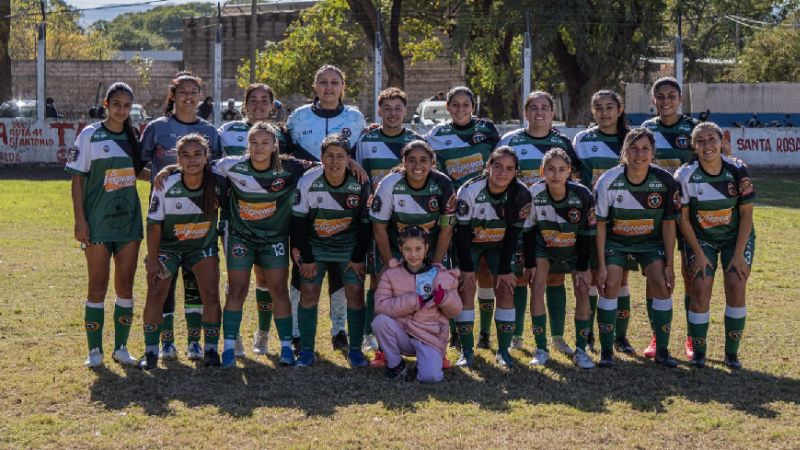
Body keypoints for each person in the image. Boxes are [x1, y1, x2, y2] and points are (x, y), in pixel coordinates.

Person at [286, 64, 367, 352]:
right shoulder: (298, 117)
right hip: (307, 200)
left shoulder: (355, 117)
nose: (329, 87)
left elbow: (358, 156)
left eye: (335, 82)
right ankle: (296, 331)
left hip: (345, 202)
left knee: (340, 272)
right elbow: (285, 154)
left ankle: (339, 330)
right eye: (323, 82)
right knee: (301, 269)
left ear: (343, 86)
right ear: (315, 86)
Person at [140, 71, 221, 362]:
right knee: (162, 288)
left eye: (194, 91)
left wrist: (176, 170)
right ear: (172, 95)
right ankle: (160, 345)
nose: (189, 96)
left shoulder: (211, 132)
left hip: (200, 229)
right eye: (182, 91)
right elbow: (138, 165)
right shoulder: (156, 127)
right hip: (167, 217)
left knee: (201, 288)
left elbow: (217, 169)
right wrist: (167, 177)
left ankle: (200, 344)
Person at [66, 82, 148, 368]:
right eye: (117, 104)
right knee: (97, 285)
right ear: (106, 104)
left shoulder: (133, 135)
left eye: (127, 105)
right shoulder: (90, 134)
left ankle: (121, 348)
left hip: (128, 223)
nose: (121, 110)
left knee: (125, 285)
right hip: (97, 222)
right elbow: (76, 180)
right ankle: (94, 351)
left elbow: (138, 172)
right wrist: (80, 221)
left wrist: (169, 173)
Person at [497, 90, 580, 353]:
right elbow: (497, 175)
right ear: (525, 113)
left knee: (555, 279)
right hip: (519, 223)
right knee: (520, 278)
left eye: (545, 107)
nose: (539, 112)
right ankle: (516, 337)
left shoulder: (563, 143)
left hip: (553, 223)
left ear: (553, 113)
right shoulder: (510, 140)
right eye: (533, 107)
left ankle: (557, 337)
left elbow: (574, 179)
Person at [594, 128, 680, 368]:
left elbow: (669, 224)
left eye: (645, 149)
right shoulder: (608, 181)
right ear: (624, 152)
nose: (639, 154)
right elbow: (600, 225)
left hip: (650, 244)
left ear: (653, 152)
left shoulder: (665, 182)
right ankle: (606, 350)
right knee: (610, 283)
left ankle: (662, 350)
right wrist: (601, 264)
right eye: (633, 148)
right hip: (616, 242)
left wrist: (670, 265)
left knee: (662, 284)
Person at [675, 122, 755, 369]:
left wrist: (739, 253)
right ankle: (699, 353)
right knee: (700, 288)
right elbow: (683, 219)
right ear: (693, 146)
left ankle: (732, 354)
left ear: (722, 141)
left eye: (712, 139)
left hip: (735, 238)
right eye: (700, 141)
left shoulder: (737, 169)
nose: (707, 145)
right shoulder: (685, 175)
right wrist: (697, 253)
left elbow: (746, 215)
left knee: (736, 285)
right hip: (701, 239)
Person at [426, 86, 500, 354]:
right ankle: (457, 333)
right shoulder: (437, 134)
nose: (460, 109)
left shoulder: (487, 130)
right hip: (452, 212)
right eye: (454, 105)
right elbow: (431, 170)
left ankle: (484, 334)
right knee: (457, 272)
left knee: (484, 272)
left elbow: (501, 163)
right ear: (447, 107)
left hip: (486, 209)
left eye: (465, 104)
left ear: (473, 105)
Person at [218, 83, 290, 357]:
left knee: (266, 277)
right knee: (237, 277)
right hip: (235, 215)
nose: (259, 104)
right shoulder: (226, 131)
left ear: (273, 105)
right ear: (244, 103)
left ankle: (263, 333)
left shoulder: (282, 134)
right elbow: (207, 162)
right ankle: (233, 339)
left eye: (265, 100)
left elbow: (294, 164)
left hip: (272, 220)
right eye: (253, 99)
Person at [354, 87, 424, 367]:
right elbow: (358, 177)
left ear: (405, 111)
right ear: (379, 111)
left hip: (410, 222)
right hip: (378, 220)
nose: (393, 113)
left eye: (398, 108)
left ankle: (415, 330)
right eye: (388, 108)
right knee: (379, 277)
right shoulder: (365, 140)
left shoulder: (416, 141)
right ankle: (371, 333)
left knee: (415, 278)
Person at [370, 141, 457, 365]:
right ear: (404, 162)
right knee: (388, 293)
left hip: (430, 249)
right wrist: (389, 260)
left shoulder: (443, 183)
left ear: (432, 163)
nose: (417, 166)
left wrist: (435, 266)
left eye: (424, 160)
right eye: (412, 160)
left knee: (438, 293)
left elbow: (447, 228)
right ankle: (383, 349)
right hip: (397, 248)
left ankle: (438, 349)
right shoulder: (390, 183)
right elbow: (379, 226)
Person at [291, 134, 372, 368]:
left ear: (349, 159)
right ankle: (306, 351)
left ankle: (355, 351)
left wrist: (357, 258)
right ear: (321, 158)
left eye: (340, 156)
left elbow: (366, 225)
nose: (335, 161)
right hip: (316, 246)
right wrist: (306, 258)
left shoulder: (360, 182)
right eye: (330, 156)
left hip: (348, 248)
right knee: (308, 293)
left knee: (356, 294)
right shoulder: (308, 180)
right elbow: (298, 222)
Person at [454, 147, 532, 368]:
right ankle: (467, 351)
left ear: (516, 171)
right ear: (488, 166)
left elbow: (513, 235)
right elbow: (460, 233)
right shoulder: (468, 190)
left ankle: (504, 351)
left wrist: (505, 269)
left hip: (500, 245)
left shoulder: (521, 194)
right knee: (466, 287)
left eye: (509, 168)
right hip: (469, 243)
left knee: (506, 287)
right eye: (497, 166)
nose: (502, 172)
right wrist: (467, 269)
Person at [642, 77, 699, 360]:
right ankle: (657, 336)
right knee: (656, 274)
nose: (666, 101)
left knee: (690, 275)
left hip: (690, 212)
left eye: (671, 96)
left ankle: (691, 337)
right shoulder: (646, 130)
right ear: (653, 100)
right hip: (654, 212)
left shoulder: (693, 128)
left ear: (680, 99)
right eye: (660, 96)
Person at [572, 90, 633, 354]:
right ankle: (589, 337)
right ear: (592, 111)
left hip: (624, 219)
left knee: (620, 279)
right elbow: (575, 177)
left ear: (620, 109)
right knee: (594, 277)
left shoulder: (631, 139)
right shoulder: (583, 139)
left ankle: (620, 336)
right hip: (591, 219)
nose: (604, 112)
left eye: (610, 107)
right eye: (598, 107)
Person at [523, 148, 596, 369]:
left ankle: (581, 350)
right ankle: (541, 348)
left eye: (561, 169)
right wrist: (530, 263)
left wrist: (583, 266)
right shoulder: (534, 193)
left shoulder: (582, 195)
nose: (556, 174)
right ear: (542, 171)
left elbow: (587, 233)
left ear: (569, 172)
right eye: (551, 169)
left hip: (575, 249)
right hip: (543, 247)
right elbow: (527, 231)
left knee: (582, 289)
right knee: (537, 286)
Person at [373, 226, 462, 382]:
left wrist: (445, 299)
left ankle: (424, 363)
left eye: (418, 248)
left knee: (432, 377)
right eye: (407, 249)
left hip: (429, 336)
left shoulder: (441, 275)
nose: (413, 254)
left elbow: (455, 311)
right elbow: (380, 306)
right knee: (380, 322)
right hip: (402, 332)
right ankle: (396, 365)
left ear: (426, 248)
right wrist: (413, 301)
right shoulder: (390, 274)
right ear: (400, 249)